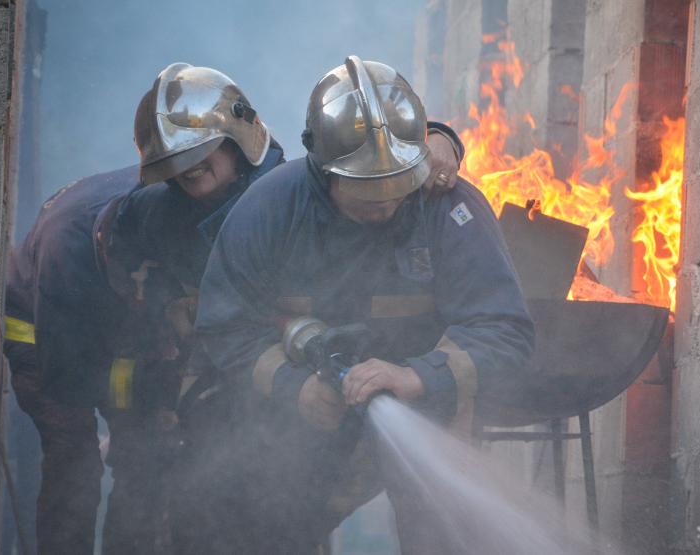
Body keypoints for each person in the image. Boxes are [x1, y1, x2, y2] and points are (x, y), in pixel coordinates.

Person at [4, 60, 466, 554]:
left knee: (183, 451)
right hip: (52, 334)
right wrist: (146, 403)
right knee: (81, 457)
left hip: (150, 332)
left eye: (204, 160)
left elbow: (342, 156)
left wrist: (434, 137)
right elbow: (73, 384)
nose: (192, 175)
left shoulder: (246, 194)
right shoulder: (70, 250)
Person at [187, 56, 534, 554]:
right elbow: (224, 328)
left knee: (439, 531)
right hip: (307, 416)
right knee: (271, 520)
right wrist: (295, 388)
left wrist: (418, 377)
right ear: (320, 167)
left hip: (425, 409)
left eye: (399, 183)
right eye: (369, 189)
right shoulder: (268, 211)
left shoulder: (446, 206)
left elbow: (505, 329)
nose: (389, 202)